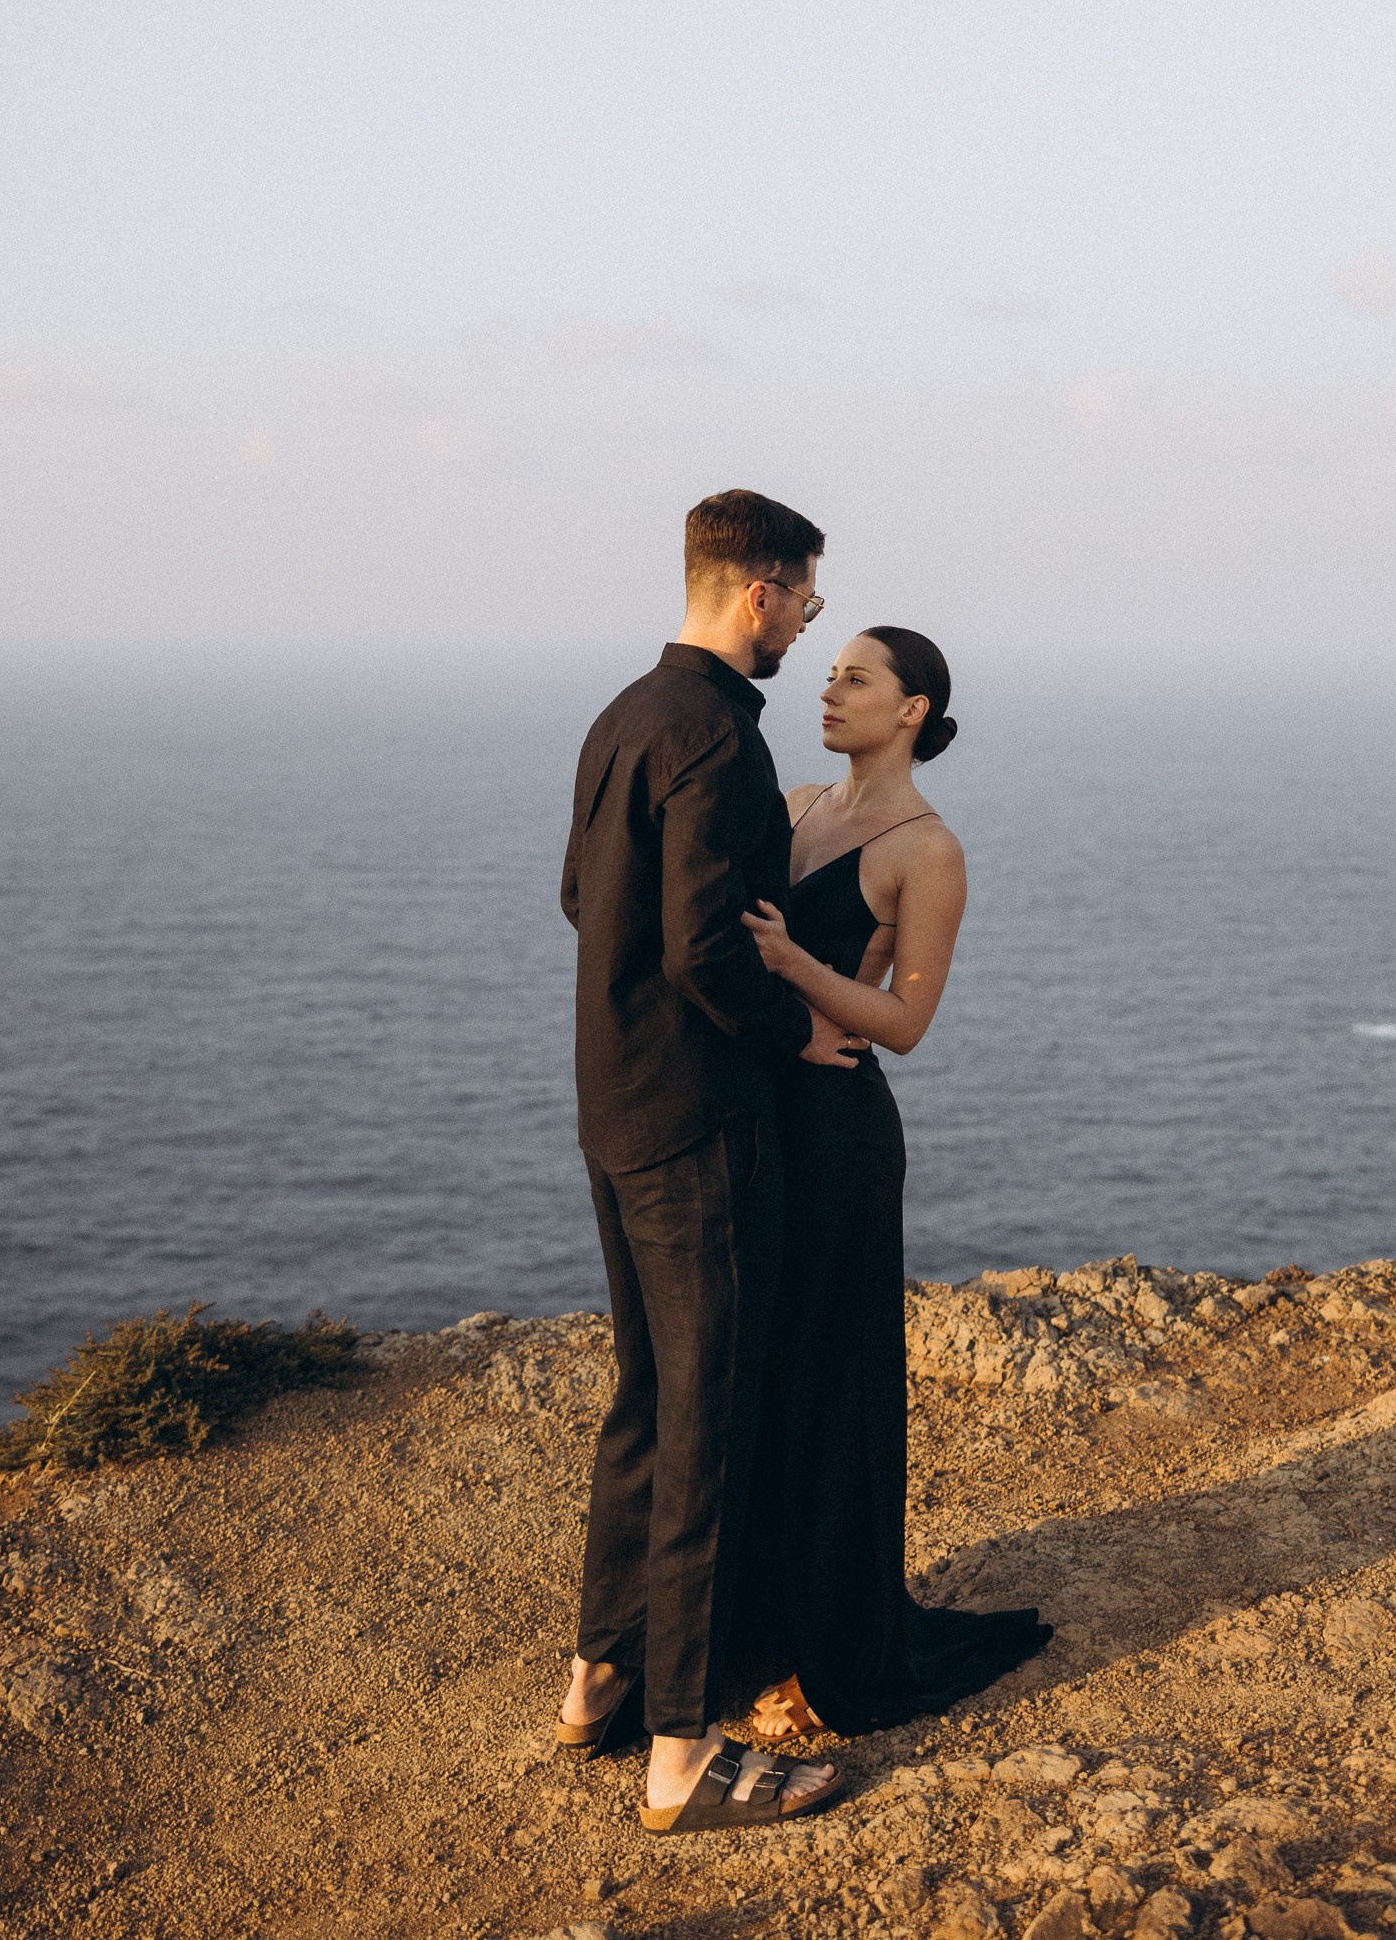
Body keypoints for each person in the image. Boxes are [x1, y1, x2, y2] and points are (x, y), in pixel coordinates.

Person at [557, 488, 858, 1833]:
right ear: (757, 592)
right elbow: (701, 946)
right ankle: (681, 1758)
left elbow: (583, 895)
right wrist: (792, 1026)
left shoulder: (624, 715)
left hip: (612, 1107)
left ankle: (599, 1683)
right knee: (708, 1427)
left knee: (644, 1401)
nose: (809, 620)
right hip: (695, 1123)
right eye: (804, 596)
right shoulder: (723, 742)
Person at [735, 625, 1052, 1734]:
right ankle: (756, 1626)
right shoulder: (796, 806)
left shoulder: (928, 849)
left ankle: (835, 1641)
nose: (829, 690)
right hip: (766, 1114)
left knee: (831, 1381)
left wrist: (795, 966)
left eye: (854, 678)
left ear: (910, 709)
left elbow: (906, 1023)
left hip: (839, 1137)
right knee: (761, 1374)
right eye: (828, 676)